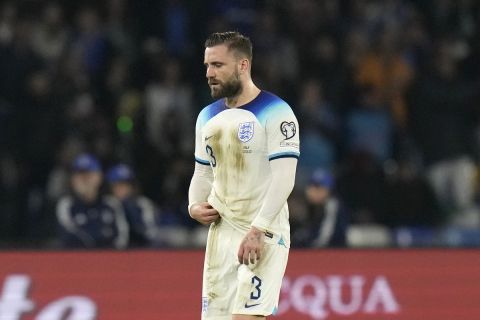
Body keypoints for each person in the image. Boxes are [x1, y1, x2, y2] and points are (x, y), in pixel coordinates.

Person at [188, 31, 300, 320]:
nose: (209, 74)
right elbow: (202, 172)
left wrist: (258, 230)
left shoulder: (277, 112)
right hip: (222, 234)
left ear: (243, 65)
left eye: (218, 65)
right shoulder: (207, 117)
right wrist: (194, 205)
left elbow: (284, 179)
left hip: (263, 233)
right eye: (207, 66)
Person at [56, 153, 129, 249]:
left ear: (99, 177)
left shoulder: (111, 204)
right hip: (77, 259)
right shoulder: (66, 204)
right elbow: (67, 236)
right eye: (79, 175)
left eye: (88, 175)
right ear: (72, 179)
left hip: (109, 259)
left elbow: (122, 238)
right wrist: (100, 238)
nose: (84, 180)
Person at [292, 168, 349, 248]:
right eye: (311, 185)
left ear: (329, 190)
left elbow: (324, 238)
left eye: (318, 187)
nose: (312, 191)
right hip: (313, 250)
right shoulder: (309, 205)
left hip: (335, 251)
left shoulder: (333, 205)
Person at [106, 163, 159, 247]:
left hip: (141, 250)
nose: (121, 188)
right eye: (117, 184)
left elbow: (151, 233)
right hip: (111, 252)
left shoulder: (142, 204)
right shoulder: (107, 204)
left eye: (125, 184)